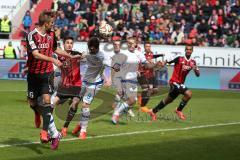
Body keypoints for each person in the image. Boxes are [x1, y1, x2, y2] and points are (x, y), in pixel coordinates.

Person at [26, 10, 80, 150]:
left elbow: (55, 49)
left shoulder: (51, 34)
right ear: (45, 23)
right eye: (52, 23)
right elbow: (36, 54)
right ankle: (51, 129)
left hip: (46, 74)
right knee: (33, 103)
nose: (54, 25)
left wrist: (70, 56)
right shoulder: (32, 35)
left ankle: (46, 133)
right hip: (33, 76)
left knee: (46, 101)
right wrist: (53, 60)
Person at [72, 37, 119, 140]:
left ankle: (83, 130)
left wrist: (110, 79)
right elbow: (81, 56)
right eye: (90, 49)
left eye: (94, 49)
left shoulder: (103, 56)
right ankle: (80, 124)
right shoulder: (88, 53)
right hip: (85, 81)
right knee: (75, 103)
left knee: (85, 104)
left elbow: (115, 66)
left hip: (95, 84)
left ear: (97, 48)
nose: (92, 51)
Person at [111, 37, 163, 124]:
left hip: (133, 80)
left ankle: (118, 109)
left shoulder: (139, 54)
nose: (131, 45)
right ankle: (116, 114)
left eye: (133, 43)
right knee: (131, 100)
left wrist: (155, 65)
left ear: (135, 44)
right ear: (127, 44)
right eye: (129, 43)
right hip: (124, 79)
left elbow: (146, 66)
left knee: (133, 101)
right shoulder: (123, 54)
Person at [149, 45, 200, 121]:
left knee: (168, 100)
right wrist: (162, 64)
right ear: (185, 50)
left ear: (192, 51)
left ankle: (153, 111)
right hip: (174, 82)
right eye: (187, 49)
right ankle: (179, 110)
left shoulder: (193, 62)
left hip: (180, 84)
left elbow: (198, 75)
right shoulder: (179, 58)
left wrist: (195, 69)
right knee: (189, 94)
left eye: (190, 49)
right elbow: (168, 61)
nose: (188, 51)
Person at [52, 36, 83, 137]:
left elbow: (84, 56)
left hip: (76, 85)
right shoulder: (59, 55)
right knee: (51, 105)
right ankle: (49, 125)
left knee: (74, 104)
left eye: (71, 43)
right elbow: (56, 63)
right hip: (64, 85)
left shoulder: (76, 54)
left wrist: (85, 56)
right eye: (67, 43)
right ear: (64, 44)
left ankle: (65, 127)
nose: (69, 44)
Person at [137, 42, 164, 113]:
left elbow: (153, 60)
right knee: (148, 90)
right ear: (144, 47)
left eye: (149, 46)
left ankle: (141, 96)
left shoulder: (151, 54)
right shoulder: (141, 55)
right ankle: (142, 107)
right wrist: (156, 64)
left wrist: (159, 66)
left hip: (151, 74)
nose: (148, 48)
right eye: (146, 46)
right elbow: (146, 66)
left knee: (156, 90)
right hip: (144, 74)